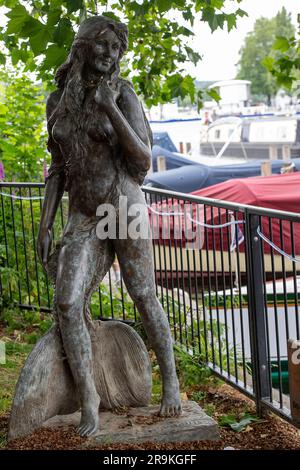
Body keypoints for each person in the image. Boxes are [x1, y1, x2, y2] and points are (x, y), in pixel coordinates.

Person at [37, 15, 181, 437]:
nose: (110, 54)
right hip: (84, 212)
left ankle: (170, 380)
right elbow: (58, 169)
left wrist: (109, 108)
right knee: (66, 302)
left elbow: (142, 162)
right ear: (82, 46)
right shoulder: (57, 101)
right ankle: (89, 400)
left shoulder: (123, 94)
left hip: (124, 205)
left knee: (142, 294)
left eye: (117, 49)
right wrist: (45, 225)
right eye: (103, 45)